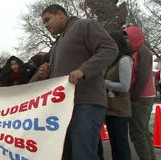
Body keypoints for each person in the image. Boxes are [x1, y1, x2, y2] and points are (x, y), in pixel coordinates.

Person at [37, 4, 118, 160]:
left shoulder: (85, 25)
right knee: (65, 154)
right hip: (64, 108)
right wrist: (46, 73)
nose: (46, 25)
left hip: (86, 103)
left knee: (83, 154)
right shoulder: (58, 43)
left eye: (48, 20)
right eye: (44, 23)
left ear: (60, 14)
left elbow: (110, 48)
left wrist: (83, 70)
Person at [124, 26, 156, 160]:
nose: (126, 41)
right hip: (140, 97)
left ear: (134, 37)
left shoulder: (143, 51)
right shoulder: (134, 52)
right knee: (143, 132)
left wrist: (133, 97)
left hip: (141, 97)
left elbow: (142, 77)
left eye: (127, 38)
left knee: (137, 133)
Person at [104, 31, 133, 160]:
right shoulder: (112, 61)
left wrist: (104, 83)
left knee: (121, 144)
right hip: (110, 109)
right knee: (114, 144)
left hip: (120, 109)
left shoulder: (125, 60)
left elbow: (124, 86)